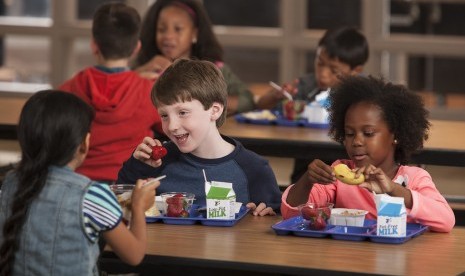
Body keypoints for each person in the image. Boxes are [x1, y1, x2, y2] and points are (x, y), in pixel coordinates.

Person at [0, 91, 160, 275]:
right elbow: (134, 255)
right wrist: (138, 206)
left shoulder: (10, 183)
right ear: (84, 143)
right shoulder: (91, 194)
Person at [281, 76, 455, 233]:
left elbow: (446, 220)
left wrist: (393, 189)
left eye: (369, 133)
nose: (356, 141)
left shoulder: (414, 178)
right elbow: (290, 215)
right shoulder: (339, 175)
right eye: (349, 134)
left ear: (396, 135)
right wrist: (307, 181)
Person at [118, 59, 282, 216]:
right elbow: (120, 206)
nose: (172, 125)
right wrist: (138, 166)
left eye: (182, 113)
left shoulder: (254, 168)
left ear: (214, 110)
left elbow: (274, 218)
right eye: (164, 115)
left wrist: (266, 214)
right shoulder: (158, 162)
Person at [59, 2, 163, 183]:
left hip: (78, 187)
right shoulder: (149, 92)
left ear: (94, 45)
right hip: (129, 189)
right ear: (136, 48)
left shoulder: (68, 91)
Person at [258, 26, 369, 183]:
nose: (323, 74)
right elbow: (263, 108)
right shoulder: (307, 85)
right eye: (320, 63)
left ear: (355, 71)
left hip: (349, 172)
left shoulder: (363, 93)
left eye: (334, 70)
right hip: (305, 171)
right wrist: (276, 96)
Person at [133, 0, 255, 115]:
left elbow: (247, 101)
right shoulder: (147, 67)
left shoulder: (214, 69)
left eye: (178, 29)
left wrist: (202, 98)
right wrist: (136, 75)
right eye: (161, 29)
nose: (168, 36)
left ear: (194, 34)